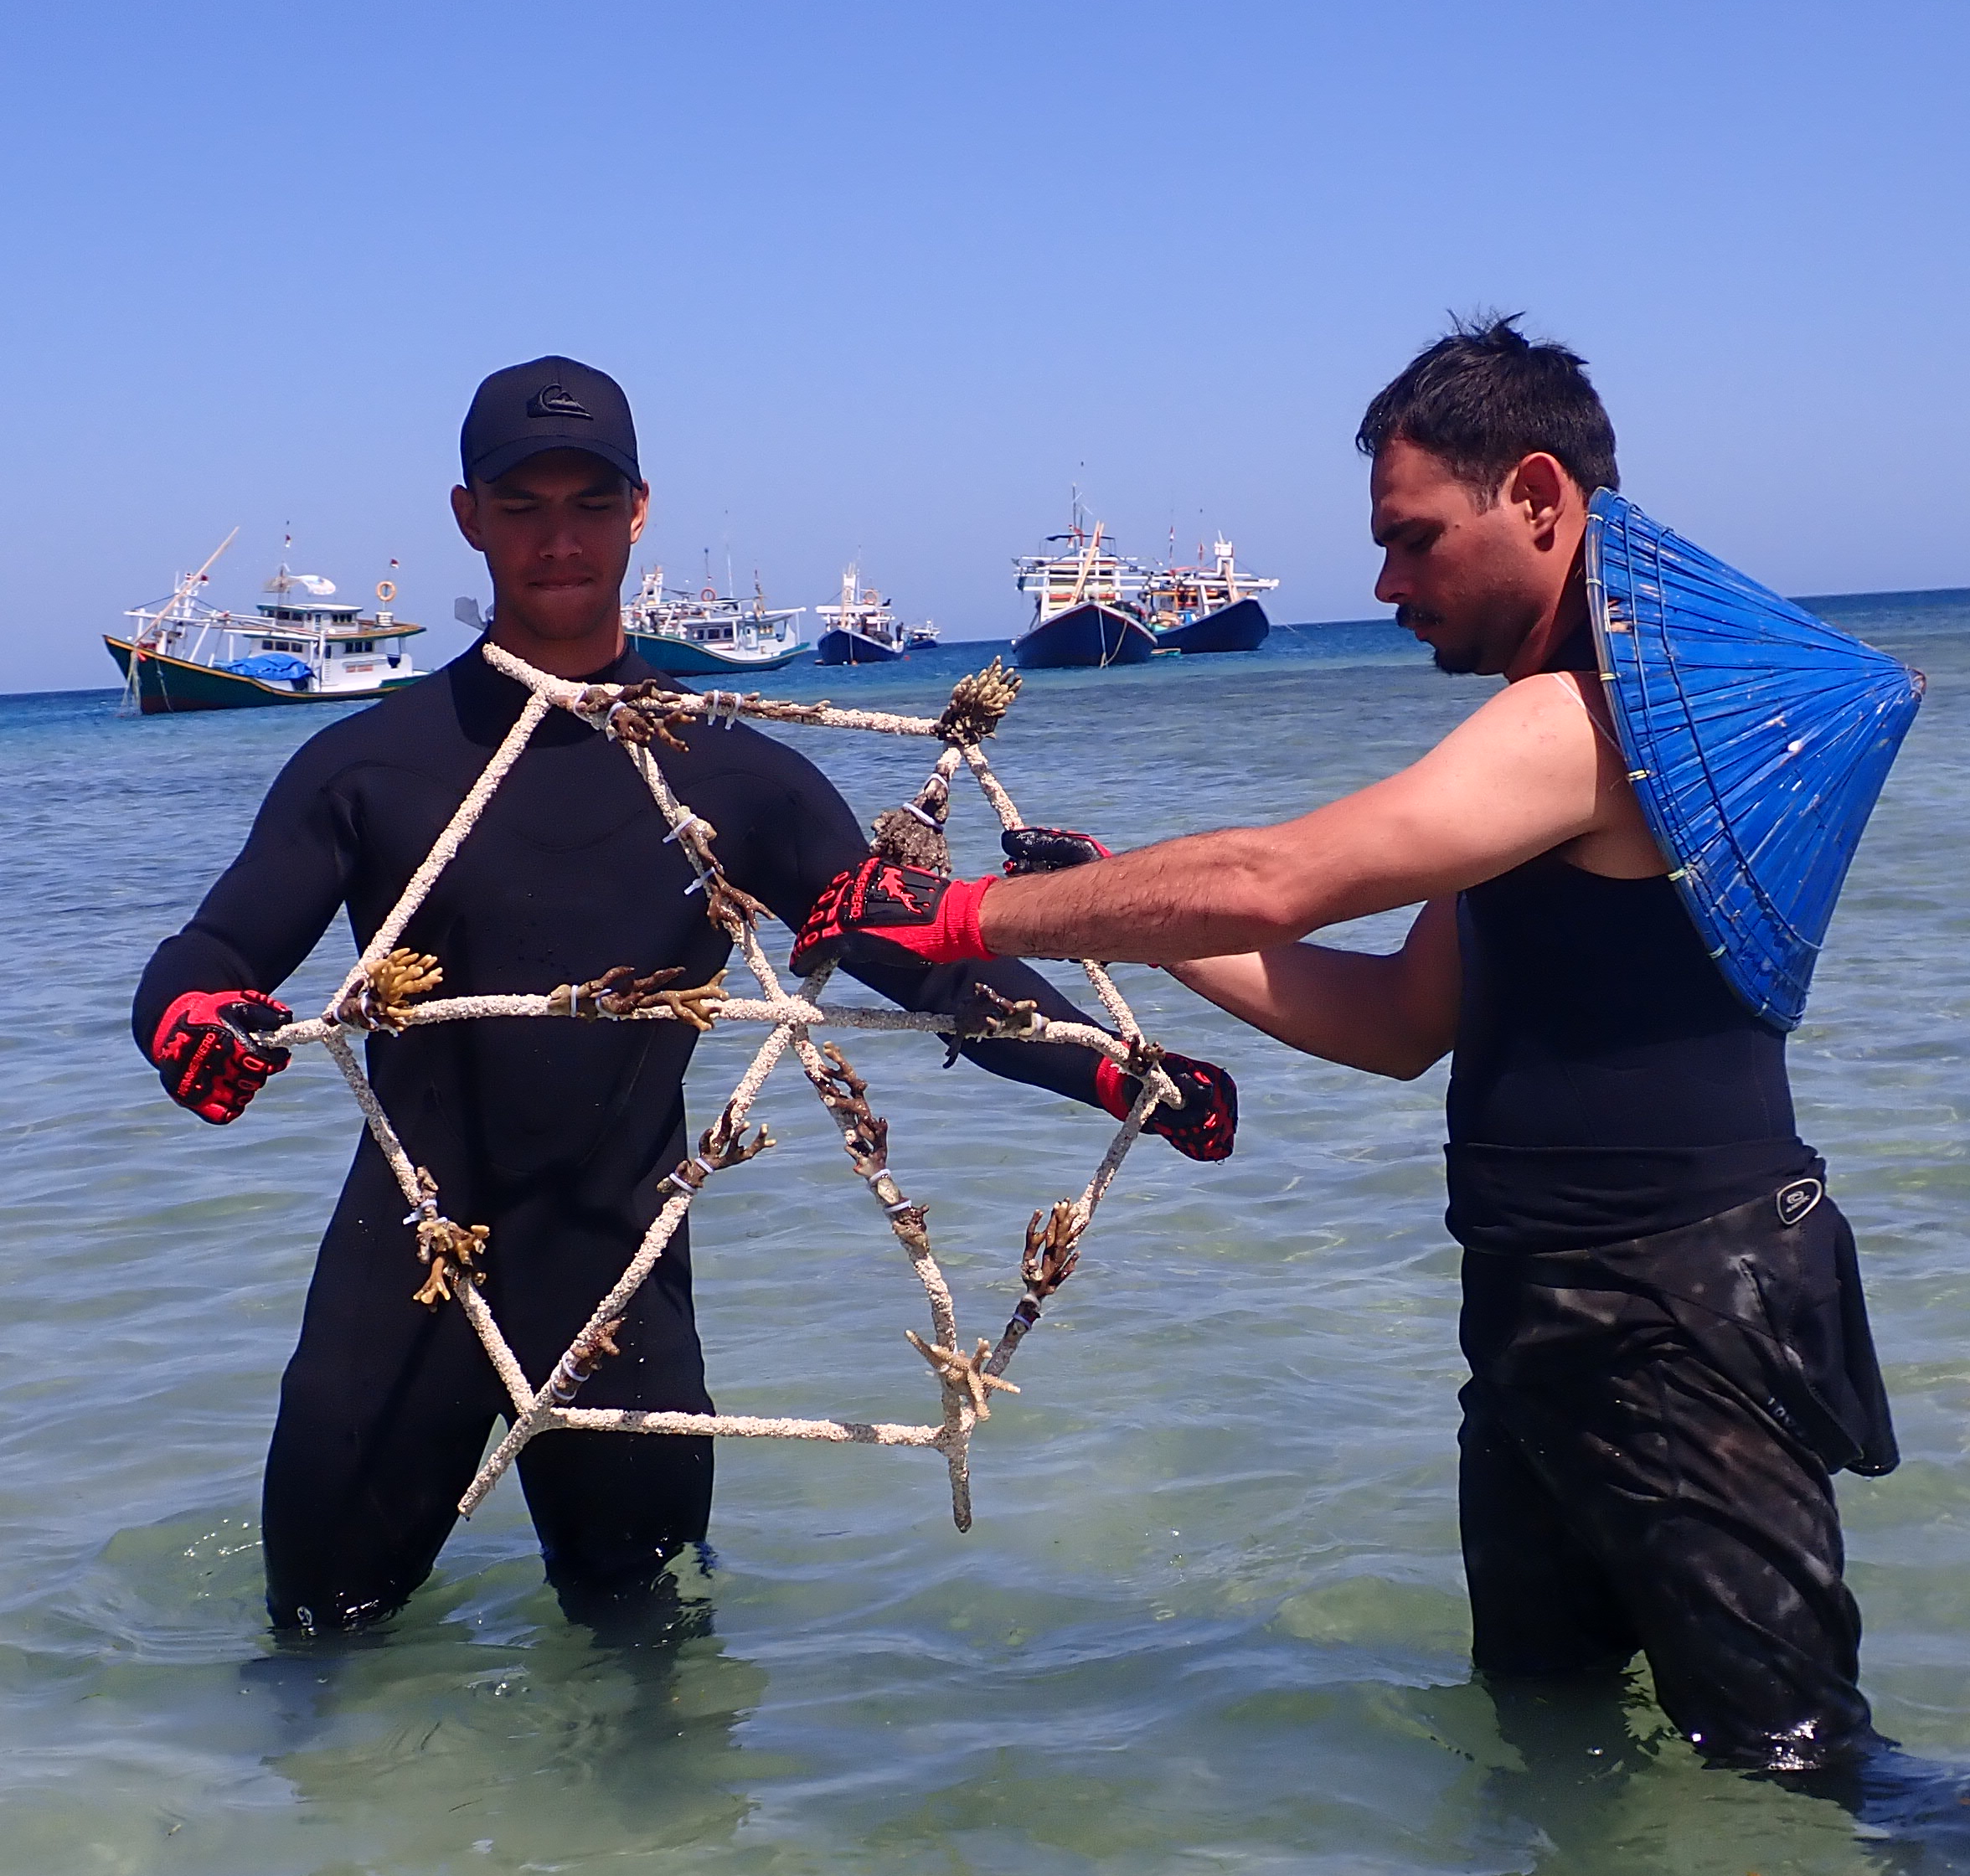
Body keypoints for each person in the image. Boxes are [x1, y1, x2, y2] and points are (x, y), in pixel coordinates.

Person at [792, 318, 1914, 1792]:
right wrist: (1128, 917)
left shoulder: (1575, 729)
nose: (1385, 586)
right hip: (1537, 1321)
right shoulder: (1554, 744)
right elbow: (1401, 1026)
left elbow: (1279, 875)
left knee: (1806, 1773)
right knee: (1548, 1742)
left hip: (1684, 1317)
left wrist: (957, 917)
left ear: (1537, 496)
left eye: (1410, 541)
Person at [136, 357, 1235, 1643]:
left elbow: (924, 959)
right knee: (314, 1654)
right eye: (523, 502)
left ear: (640, 512)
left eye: (590, 503)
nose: (558, 537)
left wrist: (1116, 1070)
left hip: (625, 1285)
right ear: (467, 515)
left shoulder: (735, 777)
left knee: (651, 1671)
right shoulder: (369, 767)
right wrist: (188, 1026)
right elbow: (217, 947)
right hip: (404, 1282)